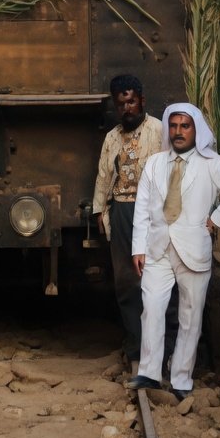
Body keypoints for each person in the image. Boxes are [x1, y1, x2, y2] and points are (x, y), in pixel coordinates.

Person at [129, 103, 220, 399]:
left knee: (191, 315)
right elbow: (142, 209)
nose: (178, 131)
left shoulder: (211, 163)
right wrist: (138, 248)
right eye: (173, 126)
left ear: (195, 129)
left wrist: (217, 219)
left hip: (193, 249)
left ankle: (181, 380)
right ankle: (149, 373)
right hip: (157, 248)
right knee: (152, 309)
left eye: (185, 126)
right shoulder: (155, 163)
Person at [92, 76, 163, 373]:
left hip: (154, 212)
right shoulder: (112, 138)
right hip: (122, 211)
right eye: (121, 104)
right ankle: (136, 351)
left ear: (142, 101)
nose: (127, 108)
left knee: (157, 280)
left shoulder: (159, 130)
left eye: (131, 101)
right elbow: (104, 176)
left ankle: (161, 352)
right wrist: (100, 211)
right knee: (127, 282)